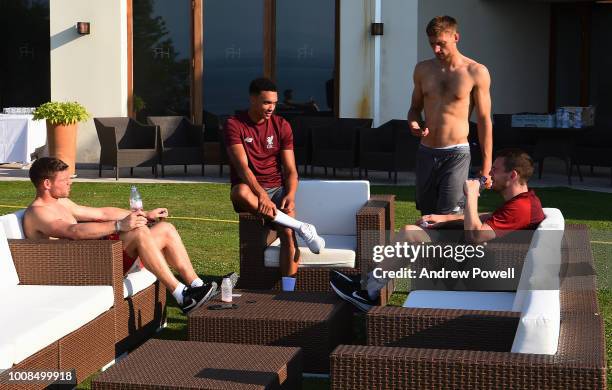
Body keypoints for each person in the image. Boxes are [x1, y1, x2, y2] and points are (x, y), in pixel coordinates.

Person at [331, 149, 545, 311]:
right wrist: (443, 218)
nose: (489, 174)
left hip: (483, 267)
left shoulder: (521, 206)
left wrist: (471, 196)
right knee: (415, 229)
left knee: (410, 234)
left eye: (495, 170)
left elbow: (475, 235)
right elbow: (488, 218)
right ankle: (369, 282)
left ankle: (368, 293)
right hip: (484, 257)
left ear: (513, 175)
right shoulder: (523, 201)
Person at [23, 157, 221, 315]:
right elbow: (72, 232)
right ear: (47, 183)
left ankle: (197, 286)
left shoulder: (61, 203)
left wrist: (144, 215)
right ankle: (181, 295)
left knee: (165, 229)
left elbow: (101, 213)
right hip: (83, 271)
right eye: (65, 180)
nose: (70, 183)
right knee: (139, 232)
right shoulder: (38, 213)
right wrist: (119, 225)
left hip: (95, 258)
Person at [225, 77, 325, 291]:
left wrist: (290, 195)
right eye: (266, 102)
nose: (271, 107)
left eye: (274, 103)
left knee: (287, 233)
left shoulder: (282, 125)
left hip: (278, 189)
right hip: (251, 191)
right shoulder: (234, 124)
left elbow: (290, 170)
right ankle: (300, 226)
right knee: (239, 192)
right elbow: (243, 168)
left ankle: (288, 292)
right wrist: (260, 193)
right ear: (252, 99)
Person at [408, 15, 493, 215]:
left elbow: (484, 121)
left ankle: (451, 247)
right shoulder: (423, 69)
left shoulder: (476, 71)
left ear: (456, 37)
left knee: (450, 216)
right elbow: (414, 108)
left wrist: (486, 168)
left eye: (441, 43)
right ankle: (429, 248)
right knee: (427, 215)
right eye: (432, 44)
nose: (436, 49)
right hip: (426, 151)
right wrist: (413, 123)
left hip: (456, 153)